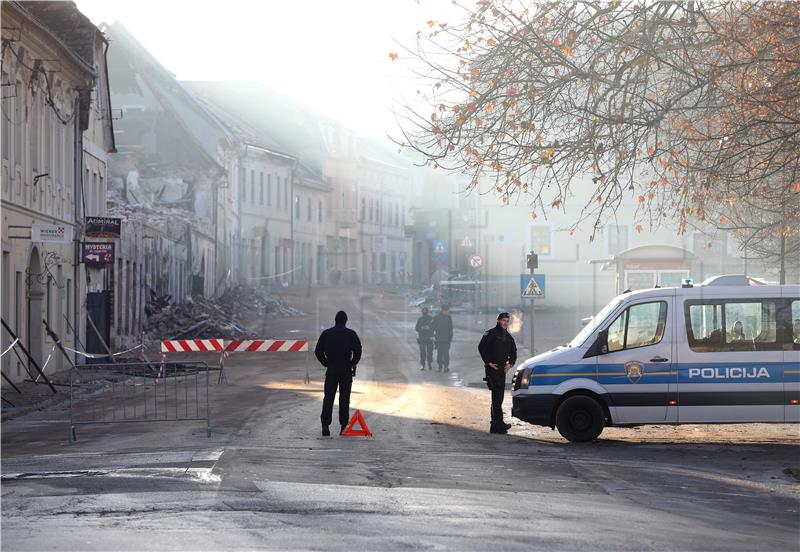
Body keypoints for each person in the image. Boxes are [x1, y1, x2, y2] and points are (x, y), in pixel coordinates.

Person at [315, 310, 362, 436]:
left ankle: (325, 425)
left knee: (328, 398)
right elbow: (358, 350)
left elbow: (318, 351)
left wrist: (326, 363)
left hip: (331, 369)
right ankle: (343, 426)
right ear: (346, 321)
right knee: (344, 398)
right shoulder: (351, 334)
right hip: (346, 370)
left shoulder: (326, 334)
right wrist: (352, 363)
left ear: (335, 320)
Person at [478, 312, 517, 434]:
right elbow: (481, 347)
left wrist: (510, 364)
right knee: (496, 396)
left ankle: (497, 424)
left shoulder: (508, 336)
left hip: (502, 370)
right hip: (492, 369)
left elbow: (514, 351)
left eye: (507, 321)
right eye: (503, 320)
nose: (505, 323)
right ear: (498, 321)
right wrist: (488, 362)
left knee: (499, 397)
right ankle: (496, 424)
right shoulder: (491, 333)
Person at [433, 305, 453, 372]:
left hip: (444, 339)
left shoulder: (447, 317)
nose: (448, 312)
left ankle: (444, 367)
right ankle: (441, 366)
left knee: (444, 353)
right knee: (442, 353)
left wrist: (450, 337)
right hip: (441, 339)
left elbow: (450, 329)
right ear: (443, 310)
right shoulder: (438, 318)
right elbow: (433, 327)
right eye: (447, 311)